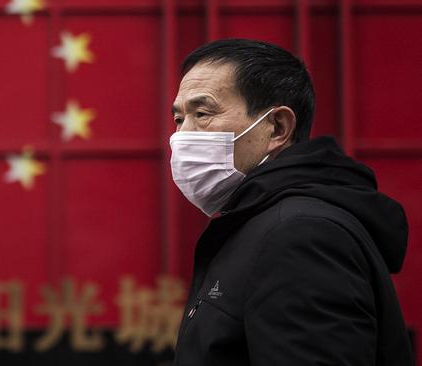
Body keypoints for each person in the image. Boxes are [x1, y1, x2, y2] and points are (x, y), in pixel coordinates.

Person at [169, 39, 413, 366]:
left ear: (278, 127)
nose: (183, 136)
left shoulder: (299, 236)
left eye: (202, 113)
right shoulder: (259, 224)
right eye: (179, 119)